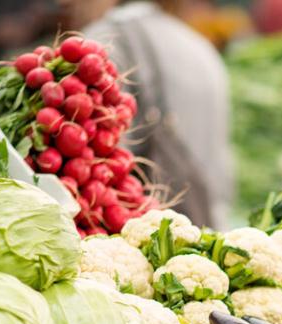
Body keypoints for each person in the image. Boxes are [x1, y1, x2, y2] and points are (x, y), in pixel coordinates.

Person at [59, 0, 235, 230]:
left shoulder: (106, 43)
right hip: (205, 228)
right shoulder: (199, 46)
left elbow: (95, 172)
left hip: (150, 240)